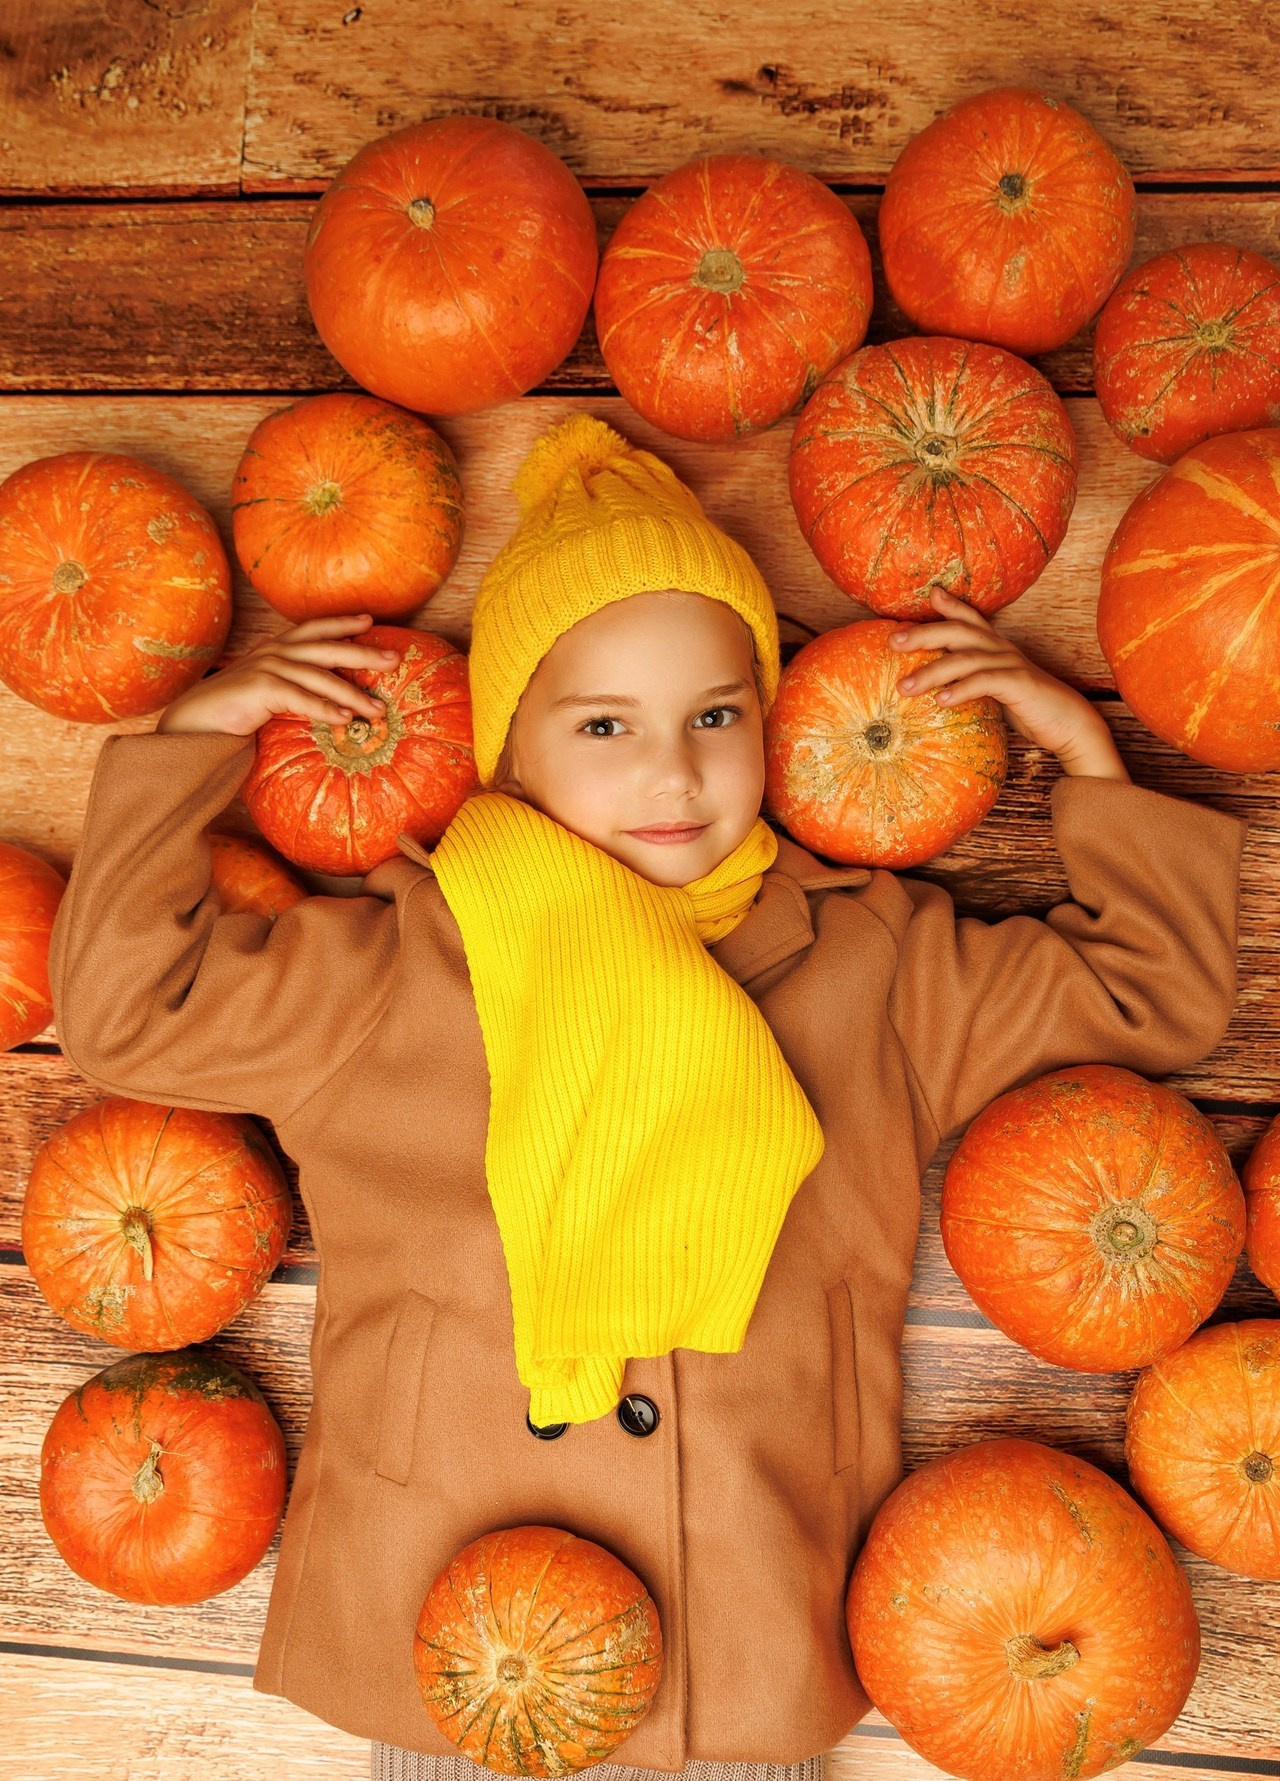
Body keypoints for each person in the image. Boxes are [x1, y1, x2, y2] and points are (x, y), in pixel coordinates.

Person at [47, 414, 1247, 1781]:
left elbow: (1155, 994)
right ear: (510, 748)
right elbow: (130, 1009)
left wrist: (1082, 750)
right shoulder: (396, 962)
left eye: (716, 715)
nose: (672, 771)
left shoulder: (873, 963)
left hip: (745, 1620)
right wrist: (189, 741)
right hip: (443, 1638)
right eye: (605, 722)